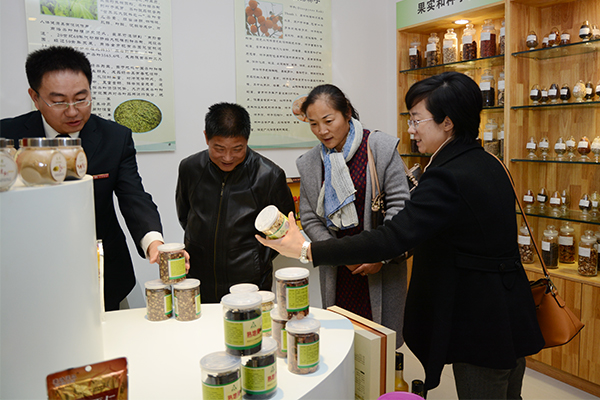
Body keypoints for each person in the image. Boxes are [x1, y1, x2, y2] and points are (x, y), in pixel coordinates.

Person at [257, 72, 545, 399]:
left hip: (482, 323)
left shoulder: (447, 176)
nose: (411, 129)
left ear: (447, 122)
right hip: (509, 312)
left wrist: (308, 250)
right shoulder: (489, 162)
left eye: (417, 120)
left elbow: (393, 236)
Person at [0, 46, 178, 311]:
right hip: (29, 270)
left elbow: (133, 196)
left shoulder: (114, 137)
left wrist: (154, 243)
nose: (73, 112)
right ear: (35, 97)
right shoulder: (8, 137)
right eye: (59, 101)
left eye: (81, 99)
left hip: (103, 272)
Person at [296, 84, 410, 346]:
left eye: (328, 121)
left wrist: (379, 255)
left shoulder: (379, 148)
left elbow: (400, 206)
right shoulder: (310, 162)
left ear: (347, 113)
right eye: (313, 124)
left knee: (380, 347)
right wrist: (338, 253)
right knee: (342, 341)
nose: (322, 131)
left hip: (380, 265)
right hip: (339, 271)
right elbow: (310, 217)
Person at [175, 102, 295, 303]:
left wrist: (256, 259)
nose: (228, 157)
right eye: (219, 148)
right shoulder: (190, 168)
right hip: (198, 279)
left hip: (250, 283)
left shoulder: (269, 175)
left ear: (247, 140)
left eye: (237, 149)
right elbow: (185, 215)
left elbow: (285, 229)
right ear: (206, 137)